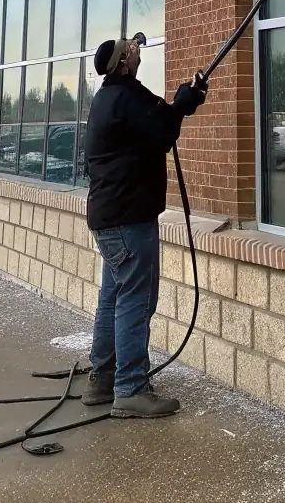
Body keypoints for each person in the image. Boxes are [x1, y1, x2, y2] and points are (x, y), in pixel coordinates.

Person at [82, 35, 207, 418]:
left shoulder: (110, 97)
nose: (137, 53)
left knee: (113, 296)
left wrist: (182, 103)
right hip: (128, 220)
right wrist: (184, 105)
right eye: (131, 51)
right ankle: (131, 387)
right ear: (122, 64)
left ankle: (102, 378)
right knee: (136, 299)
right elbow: (163, 129)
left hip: (111, 219)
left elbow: (156, 119)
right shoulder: (123, 99)